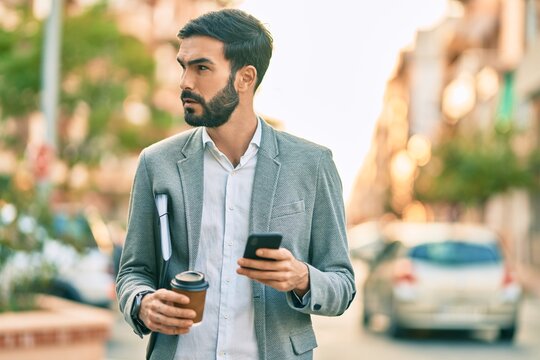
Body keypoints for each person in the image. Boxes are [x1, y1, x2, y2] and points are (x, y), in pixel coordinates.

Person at [116, 9, 356, 360]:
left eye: (201, 68)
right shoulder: (157, 163)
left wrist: (301, 277)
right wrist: (142, 304)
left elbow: (343, 284)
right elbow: (133, 271)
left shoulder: (311, 164)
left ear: (245, 78)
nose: (185, 81)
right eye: (183, 66)